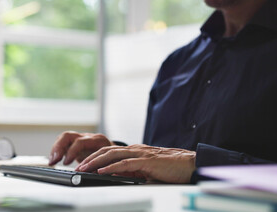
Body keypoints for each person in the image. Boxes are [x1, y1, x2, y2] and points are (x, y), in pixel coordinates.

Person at [48, 0, 277, 184]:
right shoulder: (177, 62)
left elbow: (182, 163)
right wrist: (120, 156)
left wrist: (196, 165)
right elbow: (164, 160)